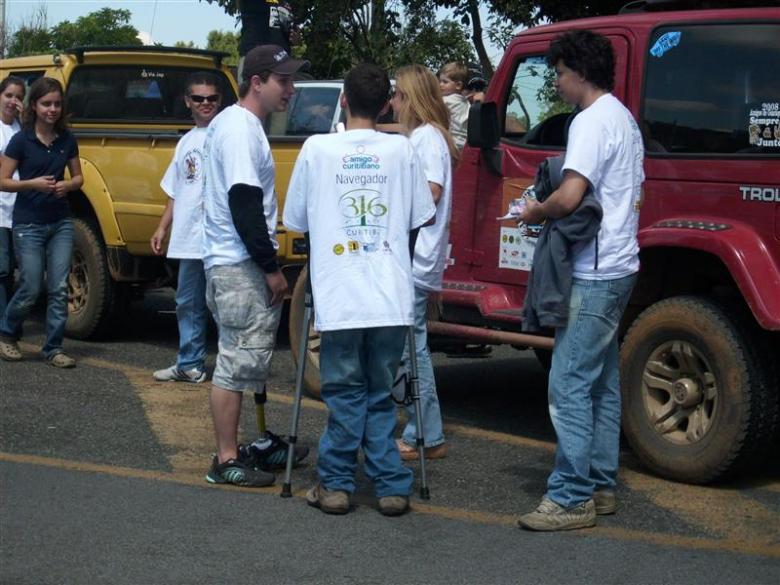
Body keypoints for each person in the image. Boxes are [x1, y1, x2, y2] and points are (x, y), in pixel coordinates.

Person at [283, 63, 436, 516]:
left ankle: (336, 483)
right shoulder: (402, 151)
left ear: (344, 100)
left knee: (345, 392)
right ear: (387, 103)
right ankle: (390, 485)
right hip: (389, 292)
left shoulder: (317, 149)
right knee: (379, 392)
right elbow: (420, 216)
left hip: (340, 292)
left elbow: (296, 221)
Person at [517, 30, 644, 531]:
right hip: (621, 264)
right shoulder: (624, 118)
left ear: (580, 72)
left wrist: (534, 210)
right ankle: (600, 483)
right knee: (602, 383)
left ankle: (570, 496)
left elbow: (570, 197)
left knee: (568, 383)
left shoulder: (590, 122)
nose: (557, 81)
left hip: (593, 270)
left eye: (560, 72)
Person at [201, 44, 309, 487]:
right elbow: (244, 203)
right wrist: (270, 268)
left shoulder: (234, 124)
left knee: (246, 358)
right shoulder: (242, 130)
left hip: (229, 261)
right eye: (283, 81)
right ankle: (226, 458)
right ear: (257, 82)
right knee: (235, 361)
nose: (291, 89)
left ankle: (256, 443)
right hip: (239, 264)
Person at [390, 64, 459, 461]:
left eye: (399, 94)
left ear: (412, 98)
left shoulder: (427, 139)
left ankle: (425, 433)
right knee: (411, 346)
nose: (394, 101)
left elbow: (429, 192)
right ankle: (422, 429)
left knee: (412, 349)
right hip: (416, 258)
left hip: (415, 258)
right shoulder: (424, 136)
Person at [0, 78, 83, 367]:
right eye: (46, 103)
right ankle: (7, 332)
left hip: (60, 221)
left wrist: (68, 186)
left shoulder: (67, 139)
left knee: (59, 287)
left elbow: (78, 177)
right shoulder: (21, 139)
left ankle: (53, 348)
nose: (52, 109)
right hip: (28, 223)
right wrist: (32, 183)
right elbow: (3, 181)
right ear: (33, 105)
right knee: (31, 286)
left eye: (57, 104)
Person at [149, 72, 222, 383]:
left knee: (222, 304)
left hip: (220, 238)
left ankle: (236, 365)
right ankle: (190, 363)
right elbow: (175, 191)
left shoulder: (225, 134)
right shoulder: (185, 141)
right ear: (188, 102)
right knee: (187, 302)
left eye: (212, 99)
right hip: (189, 237)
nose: (205, 104)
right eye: (199, 99)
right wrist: (162, 228)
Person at [0, 76, 26, 319]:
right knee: (3, 268)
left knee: (18, 269)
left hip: (19, 209)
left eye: (18, 97)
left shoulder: (21, 128)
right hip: (0, 209)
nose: (13, 101)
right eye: (8, 95)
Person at [236, 0, 298, 83]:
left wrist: (295, 39)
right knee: (253, 94)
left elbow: (291, 34)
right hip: (255, 57)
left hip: (281, 60)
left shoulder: (284, 3)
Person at [438, 62, 470, 150]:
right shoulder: (466, 102)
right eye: (440, 81)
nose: (440, 85)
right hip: (464, 144)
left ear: (458, 85)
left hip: (451, 144)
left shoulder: (447, 101)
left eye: (445, 82)